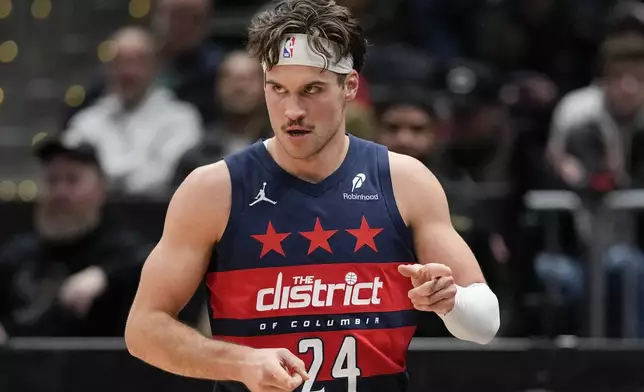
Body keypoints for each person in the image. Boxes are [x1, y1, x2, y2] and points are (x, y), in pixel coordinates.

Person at [124, 1, 500, 391]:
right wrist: (241, 362)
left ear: (349, 86)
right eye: (278, 90)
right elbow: (144, 328)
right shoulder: (214, 189)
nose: (292, 111)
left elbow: (486, 323)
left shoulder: (403, 181)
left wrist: (450, 300)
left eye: (312, 90)